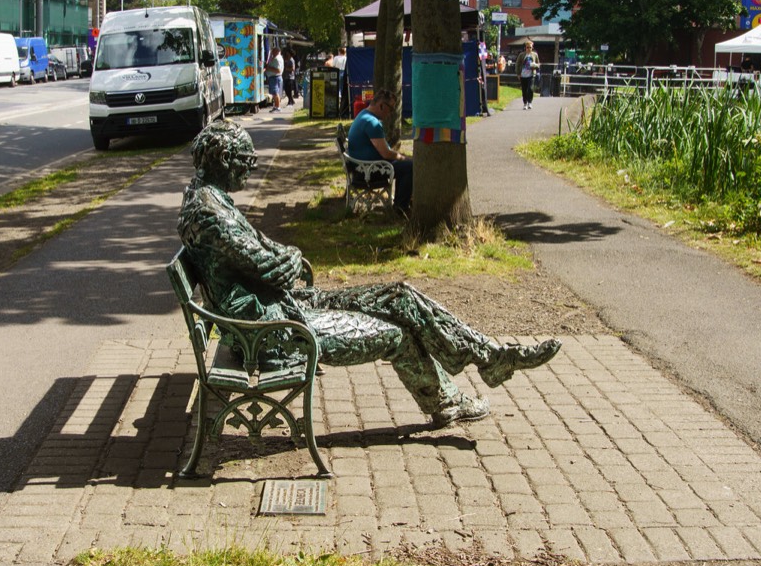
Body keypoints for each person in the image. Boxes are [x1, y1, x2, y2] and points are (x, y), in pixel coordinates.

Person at [177, 120, 561, 428]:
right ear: (224, 159)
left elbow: (265, 251)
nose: (251, 167)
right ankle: (449, 400)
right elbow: (271, 266)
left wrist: (284, 257)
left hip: (285, 306)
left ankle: (489, 355)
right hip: (273, 331)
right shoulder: (211, 215)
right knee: (398, 336)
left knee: (399, 297)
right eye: (246, 160)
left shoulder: (209, 198)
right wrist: (289, 258)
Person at [348, 90, 413, 215]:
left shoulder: (363, 115)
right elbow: (385, 153)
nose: (391, 113)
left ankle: (403, 203)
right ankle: (401, 208)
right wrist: (403, 157)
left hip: (361, 168)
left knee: (406, 165)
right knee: (409, 166)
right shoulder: (372, 123)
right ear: (381, 105)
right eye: (391, 109)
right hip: (368, 172)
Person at [516, 40, 539, 110]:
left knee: (530, 89)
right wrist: (518, 74)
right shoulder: (521, 55)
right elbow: (517, 64)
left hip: (531, 75)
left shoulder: (535, 55)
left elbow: (538, 64)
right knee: (524, 90)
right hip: (523, 75)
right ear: (525, 48)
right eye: (527, 47)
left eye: (530, 47)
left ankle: (530, 102)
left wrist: (535, 66)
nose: (529, 49)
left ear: (532, 48)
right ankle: (525, 103)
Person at [264, 46, 285, 113]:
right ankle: (276, 106)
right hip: (275, 77)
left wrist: (268, 68)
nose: (272, 53)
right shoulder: (278, 58)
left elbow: (278, 70)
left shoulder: (277, 59)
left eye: (273, 51)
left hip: (275, 77)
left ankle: (277, 107)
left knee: (275, 93)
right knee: (275, 93)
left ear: (277, 51)